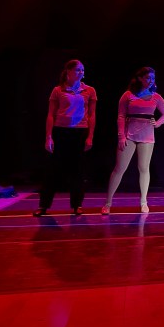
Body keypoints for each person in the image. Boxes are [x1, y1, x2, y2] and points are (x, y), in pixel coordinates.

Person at [102, 67, 164, 215]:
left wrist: (158, 123)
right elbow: (120, 116)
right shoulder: (128, 95)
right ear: (140, 78)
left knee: (144, 168)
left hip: (147, 136)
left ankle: (143, 202)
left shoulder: (156, 97)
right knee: (119, 168)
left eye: (153, 78)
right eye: (148, 78)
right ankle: (108, 203)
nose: (151, 81)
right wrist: (121, 136)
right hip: (129, 135)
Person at [34, 59, 97, 216]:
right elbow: (50, 114)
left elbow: (92, 115)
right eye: (77, 70)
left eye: (82, 70)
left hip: (79, 133)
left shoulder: (89, 90)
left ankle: (77, 205)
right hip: (61, 132)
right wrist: (48, 137)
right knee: (52, 170)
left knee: (77, 170)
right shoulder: (58, 90)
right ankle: (43, 205)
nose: (80, 72)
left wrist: (90, 136)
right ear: (68, 72)